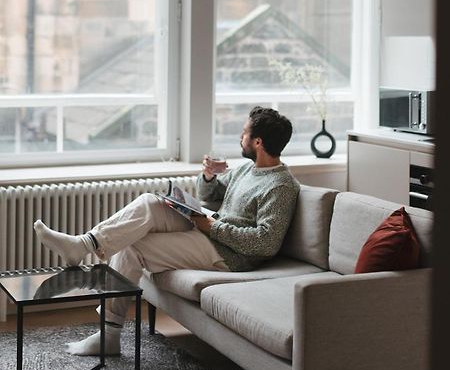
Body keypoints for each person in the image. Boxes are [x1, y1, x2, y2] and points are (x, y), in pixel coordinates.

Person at [34, 106, 300, 356]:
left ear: (258, 142)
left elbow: (266, 243)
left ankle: (109, 334)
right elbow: (211, 194)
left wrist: (213, 227)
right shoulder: (247, 170)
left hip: (229, 253)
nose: (240, 136)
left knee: (134, 245)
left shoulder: (281, 186)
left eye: (245, 132)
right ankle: (83, 244)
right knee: (150, 202)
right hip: (211, 229)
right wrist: (208, 176)